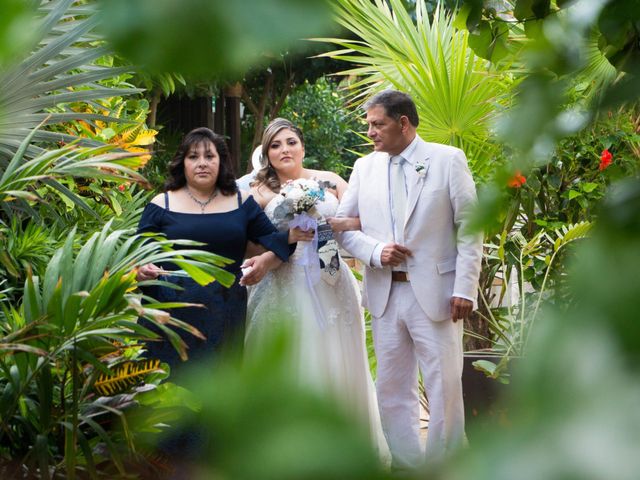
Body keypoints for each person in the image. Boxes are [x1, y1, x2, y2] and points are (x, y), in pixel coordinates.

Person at [334, 90, 483, 469]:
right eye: (368, 124)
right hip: (385, 292)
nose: (370, 131)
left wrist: (464, 287)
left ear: (403, 123)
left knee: (443, 384)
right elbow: (343, 227)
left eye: (376, 123)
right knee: (392, 388)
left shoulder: (448, 161)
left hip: (438, 293)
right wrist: (374, 250)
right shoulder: (363, 167)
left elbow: (470, 228)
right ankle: (406, 465)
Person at [245, 118, 389, 459]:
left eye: (290, 142)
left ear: (303, 146)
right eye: (276, 145)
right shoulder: (258, 190)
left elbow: (368, 219)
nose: (285, 150)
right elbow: (249, 244)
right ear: (266, 153)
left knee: (335, 357)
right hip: (283, 281)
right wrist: (285, 238)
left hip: (331, 279)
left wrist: (330, 224)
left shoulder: (330, 181)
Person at [136, 127, 300, 370]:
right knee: (167, 392)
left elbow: (275, 241)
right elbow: (137, 257)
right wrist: (141, 270)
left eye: (209, 156)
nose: (202, 163)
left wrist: (264, 263)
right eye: (193, 157)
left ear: (221, 161)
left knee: (219, 387)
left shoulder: (241, 202)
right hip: (170, 311)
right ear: (183, 163)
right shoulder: (161, 204)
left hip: (224, 309)